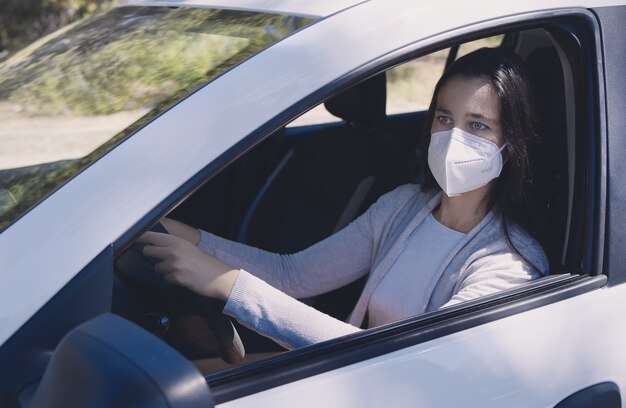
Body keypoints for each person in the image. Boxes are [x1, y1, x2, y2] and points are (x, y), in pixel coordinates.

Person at [138, 47, 549, 351]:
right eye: (444, 118)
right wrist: (192, 239)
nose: (452, 137)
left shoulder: (508, 266)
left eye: (477, 126)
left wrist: (226, 285)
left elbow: (399, 356)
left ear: (510, 146)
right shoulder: (404, 206)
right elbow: (294, 275)